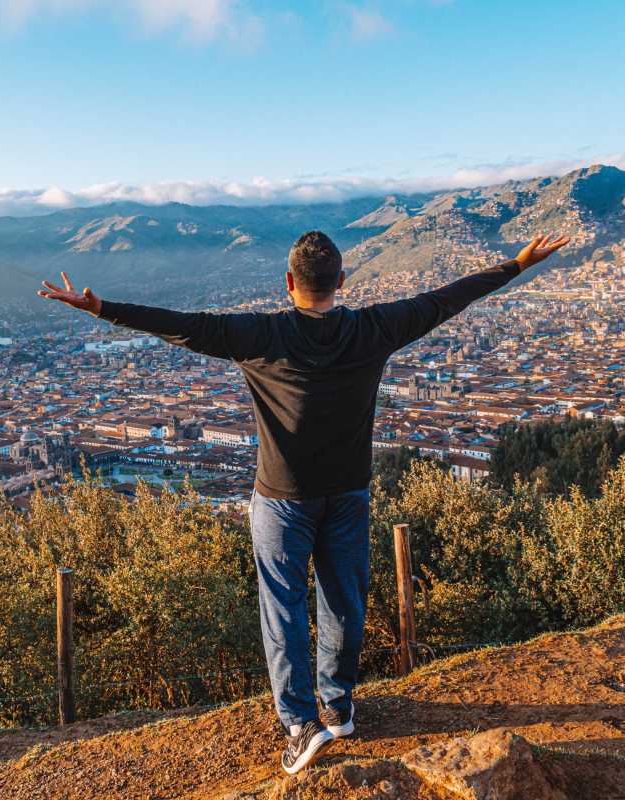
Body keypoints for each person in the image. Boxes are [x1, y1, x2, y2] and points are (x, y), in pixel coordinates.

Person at [38, 230, 569, 774]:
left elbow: (182, 324)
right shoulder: (373, 328)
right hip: (349, 492)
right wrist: (516, 264)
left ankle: (299, 723)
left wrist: (100, 308)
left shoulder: (259, 333)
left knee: (283, 606)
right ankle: (338, 706)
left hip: (281, 498)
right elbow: (446, 298)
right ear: (341, 281)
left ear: (288, 283)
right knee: (343, 597)